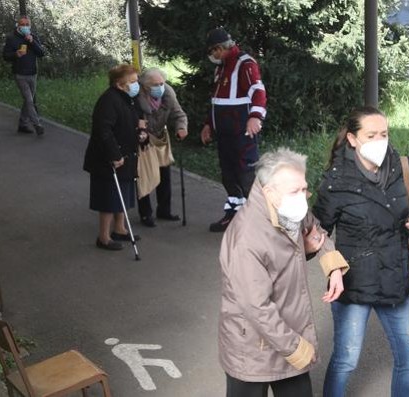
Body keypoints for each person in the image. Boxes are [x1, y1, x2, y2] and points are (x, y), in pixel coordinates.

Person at [312, 107, 409, 397]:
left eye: (384, 134)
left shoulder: (405, 167)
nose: (380, 140)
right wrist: (331, 266)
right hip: (354, 284)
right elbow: (317, 231)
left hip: (396, 279)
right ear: (352, 139)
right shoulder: (336, 180)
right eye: (371, 135)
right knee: (345, 361)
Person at [218, 148, 350, 397]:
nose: (302, 197)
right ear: (269, 192)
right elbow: (257, 308)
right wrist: (297, 349)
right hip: (252, 350)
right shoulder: (246, 238)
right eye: (295, 191)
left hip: (289, 331)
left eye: (304, 189)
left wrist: (333, 267)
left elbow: (315, 230)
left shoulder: (289, 208)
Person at [200, 28, 267, 232]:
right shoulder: (221, 68)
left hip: (242, 133)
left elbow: (258, 91)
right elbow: (217, 100)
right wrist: (208, 124)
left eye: (213, 51)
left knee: (246, 175)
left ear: (220, 48)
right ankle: (234, 214)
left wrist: (255, 117)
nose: (212, 56)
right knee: (228, 175)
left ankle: (261, 222)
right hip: (224, 134)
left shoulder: (245, 64)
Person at [83, 64, 148, 250]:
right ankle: (103, 237)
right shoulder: (108, 100)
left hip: (126, 155)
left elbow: (135, 122)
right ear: (119, 84)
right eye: (133, 81)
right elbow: (103, 130)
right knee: (109, 198)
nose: (137, 85)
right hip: (108, 158)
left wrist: (142, 133)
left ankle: (120, 229)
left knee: (124, 195)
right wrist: (114, 154)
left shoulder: (129, 98)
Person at [135, 67, 188, 227]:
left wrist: (181, 127)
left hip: (159, 137)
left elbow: (179, 114)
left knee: (165, 174)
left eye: (162, 83)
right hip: (143, 138)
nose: (160, 87)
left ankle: (164, 210)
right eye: (156, 84)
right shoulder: (136, 96)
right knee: (145, 175)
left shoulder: (168, 93)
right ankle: (145, 214)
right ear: (145, 86)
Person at [2, 16, 46, 135]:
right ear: (18, 26)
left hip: (33, 74)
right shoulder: (11, 38)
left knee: (28, 101)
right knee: (29, 100)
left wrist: (31, 41)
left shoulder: (33, 37)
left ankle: (22, 124)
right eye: (23, 24)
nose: (25, 26)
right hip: (20, 74)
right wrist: (15, 54)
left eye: (27, 24)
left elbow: (41, 53)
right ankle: (37, 125)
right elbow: (5, 56)